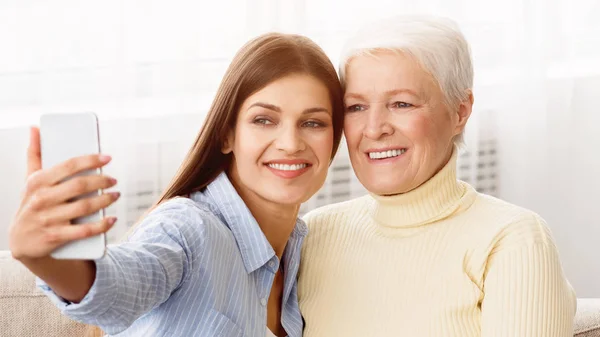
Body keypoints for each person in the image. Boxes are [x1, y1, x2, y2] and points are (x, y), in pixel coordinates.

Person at [8, 32, 344, 337]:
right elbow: (116, 289)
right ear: (227, 134)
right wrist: (48, 260)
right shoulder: (187, 227)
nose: (290, 143)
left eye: (312, 123)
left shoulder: (300, 249)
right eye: (264, 120)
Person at [298, 15, 577, 336]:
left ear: (460, 111)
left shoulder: (513, 240)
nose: (374, 129)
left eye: (401, 103)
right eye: (357, 107)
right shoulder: (314, 234)